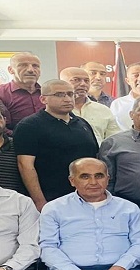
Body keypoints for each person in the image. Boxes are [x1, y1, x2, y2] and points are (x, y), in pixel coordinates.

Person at [13, 78, 99, 211]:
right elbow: (25, 166)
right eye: (59, 95)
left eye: (70, 94)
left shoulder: (82, 124)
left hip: (86, 198)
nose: (67, 99)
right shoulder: (29, 125)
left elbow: (94, 158)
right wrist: (40, 201)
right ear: (43, 99)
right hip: (51, 198)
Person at [61, 66, 121, 143]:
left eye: (86, 81)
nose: (83, 84)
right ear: (61, 83)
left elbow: (115, 140)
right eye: (76, 80)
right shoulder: (54, 110)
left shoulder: (103, 110)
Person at [0, 52, 43, 129]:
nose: (31, 70)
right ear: (11, 70)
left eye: (35, 66)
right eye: (23, 65)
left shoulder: (48, 94)